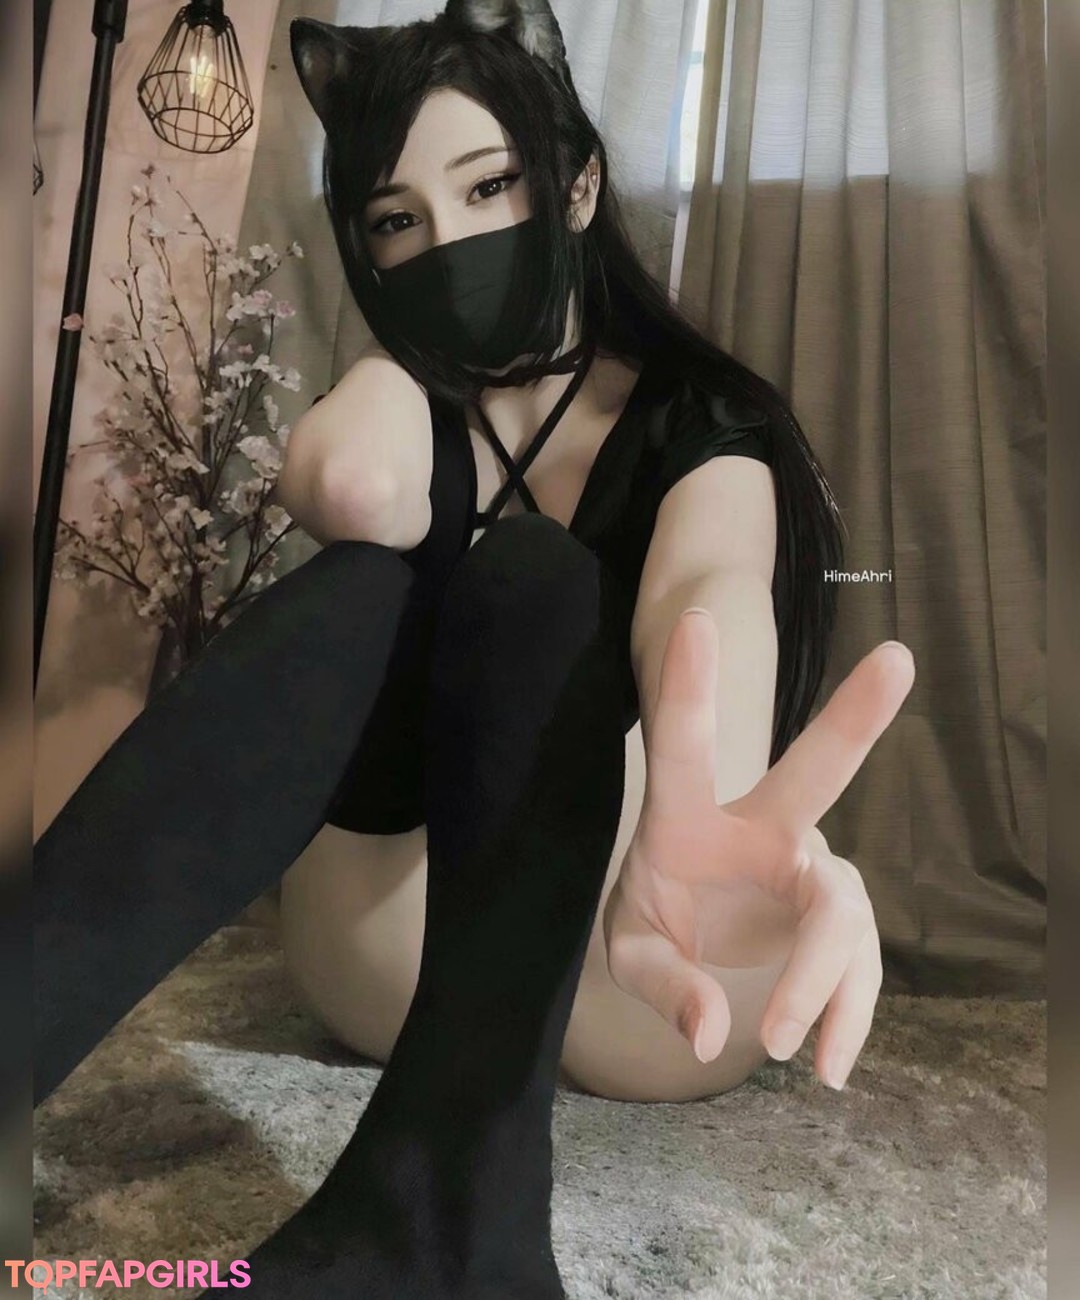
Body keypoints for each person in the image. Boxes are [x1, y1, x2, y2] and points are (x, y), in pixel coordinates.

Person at [33, 2, 915, 1296]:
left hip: (653, 961)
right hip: (386, 956)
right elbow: (347, 485)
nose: (449, 242)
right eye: (398, 219)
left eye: (491, 186)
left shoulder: (698, 418)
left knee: (540, 579)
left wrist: (712, 793)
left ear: (577, 185)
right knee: (364, 589)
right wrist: (409, 370)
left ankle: (452, 1207)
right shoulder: (415, 409)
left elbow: (711, 586)